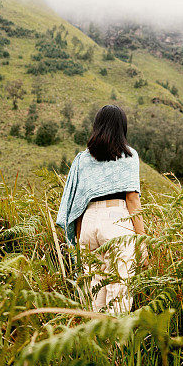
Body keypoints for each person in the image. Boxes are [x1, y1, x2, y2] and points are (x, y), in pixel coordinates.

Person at [56, 104, 148, 313]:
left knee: (92, 292)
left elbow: (78, 203)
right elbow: (132, 199)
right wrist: (142, 240)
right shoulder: (129, 156)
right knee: (119, 288)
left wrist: (79, 239)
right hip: (116, 221)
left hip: (88, 224)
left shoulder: (82, 160)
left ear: (97, 126)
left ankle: (95, 342)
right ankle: (115, 344)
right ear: (122, 128)